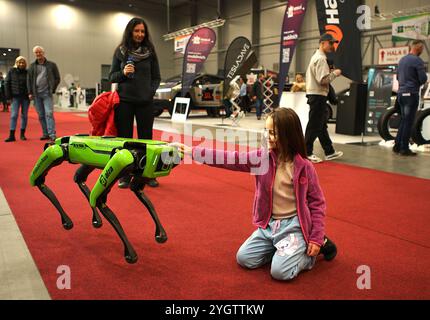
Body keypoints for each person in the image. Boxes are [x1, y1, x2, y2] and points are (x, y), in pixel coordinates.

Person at [172, 108, 337, 281]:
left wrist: (316, 238)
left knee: (280, 273)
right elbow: (230, 158)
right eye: (266, 131)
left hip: (295, 226)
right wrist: (192, 151)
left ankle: (310, 253)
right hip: (269, 226)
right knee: (244, 259)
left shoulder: (305, 167)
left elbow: (317, 204)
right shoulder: (261, 158)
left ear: (288, 135)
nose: (267, 136)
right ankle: (283, 249)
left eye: (273, 133)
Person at [109, 17, 161, 188]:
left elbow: (156, 77)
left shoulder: (150, 51)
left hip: (145, 102)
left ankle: (147, 175)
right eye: (136, 31)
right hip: (124, 102)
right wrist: (123, 72)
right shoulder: (120, 51)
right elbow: (111, 77)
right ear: (130, 31)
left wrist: (149, 91)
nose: (140, 34)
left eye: (142, 31)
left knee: (146, 140)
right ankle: (124, 175)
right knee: (125, 140)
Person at [304, 33, 343, 163]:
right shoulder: (320, 59)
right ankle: (306, 152)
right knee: (314, 125)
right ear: (323, 43)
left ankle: (329, 151)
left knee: (320, 125)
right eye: (330, 43)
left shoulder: (317, 57)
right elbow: (323, 80)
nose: (332, 46)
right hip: (318, 95)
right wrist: (335, 73)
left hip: (317, 94)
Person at [394, 40, 428, 156]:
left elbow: (398, 77)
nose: (422, 51)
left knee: (404, 120)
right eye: (422, 49)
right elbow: (423, 79)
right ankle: (404, 148)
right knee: (408, 122)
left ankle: (397, 145)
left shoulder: (402, 60)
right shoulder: (417, 61)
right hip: (411, 94)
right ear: (418, 48)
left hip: (401, 94)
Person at [27, 45, 61, 141]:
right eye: (36, 52)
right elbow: (28, 80)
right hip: (36, 94)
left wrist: (52, 89)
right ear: (35, 54)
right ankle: (45, 133)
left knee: (49, 113)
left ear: (43, 53)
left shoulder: (51, 65)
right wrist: (30, 92)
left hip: (47, 94)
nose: (38, 54)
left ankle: (52, 134)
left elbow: (57, 78)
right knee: (41, 115)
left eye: (40, 52)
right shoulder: (32, 66)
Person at [4, 56, 30, 142]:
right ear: (16, 63)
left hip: (25, 97)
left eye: (23, 62)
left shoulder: (27, 72)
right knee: (14, 115)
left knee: (24, 116)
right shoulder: (11, 71)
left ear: (25, 64)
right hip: (15, 97)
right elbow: (7, 83)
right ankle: (12, 135)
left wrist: (30, 93)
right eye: (19, 62)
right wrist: (8, 97)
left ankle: (22, 134)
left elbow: (30, 83)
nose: (21, 64)